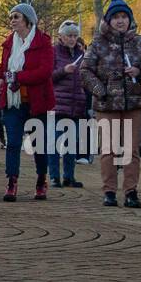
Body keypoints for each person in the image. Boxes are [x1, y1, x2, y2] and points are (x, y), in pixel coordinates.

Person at [80, 0, 141, 209]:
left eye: (124, 17)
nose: (120, 21)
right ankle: (109, 191)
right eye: (116, 17)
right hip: (107, 105)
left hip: (134, 103)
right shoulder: (98, 43)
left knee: (131, 151)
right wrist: (101, 91)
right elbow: (85, 71)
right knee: (109, 150)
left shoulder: (140, 42)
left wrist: (140, 72)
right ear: (109, 20)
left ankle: (131, 190)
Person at [0, 3, 55, 201]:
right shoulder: (8, 44)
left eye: (16, 17)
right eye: (11, 16)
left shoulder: (43, 42)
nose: (12, 20)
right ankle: (11, 181)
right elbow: (3, 67)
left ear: (28, 20)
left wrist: (19, 77)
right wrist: (1, 78)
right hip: (13, 101)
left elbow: (45, 71)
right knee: (12, 143)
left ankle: (41, 180)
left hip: (37, 101)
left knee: (39, 144)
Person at [49, 22, 86, 188]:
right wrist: (64, 70)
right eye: (69, 36)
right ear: (61, 37)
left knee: (72, 142)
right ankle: (54, 176)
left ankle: (69, 176)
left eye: (74, 36)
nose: (72, 39)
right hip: (58, 104)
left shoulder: (81, 53)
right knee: (56, 142)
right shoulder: (54, 52)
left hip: (76, 104)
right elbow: (48, 77)